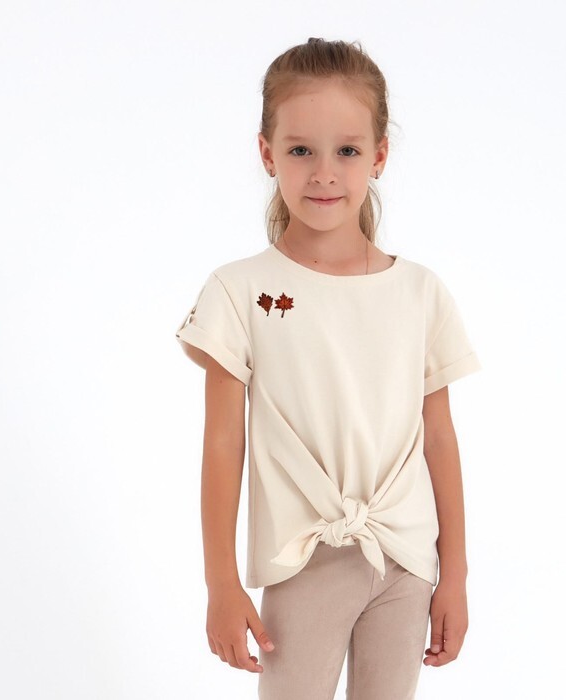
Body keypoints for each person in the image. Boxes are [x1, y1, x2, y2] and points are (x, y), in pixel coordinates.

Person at [175, 37, 482, 700]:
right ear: (267, 154)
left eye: (346, 150)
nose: (324, 173)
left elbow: (439, 438)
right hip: (303, 561)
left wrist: (454, 575)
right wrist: (221, 581)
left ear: (379, 155)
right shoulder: (241, 291)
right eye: (300, 151)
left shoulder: (419, 292)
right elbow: (223, 443)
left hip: (406, 562)